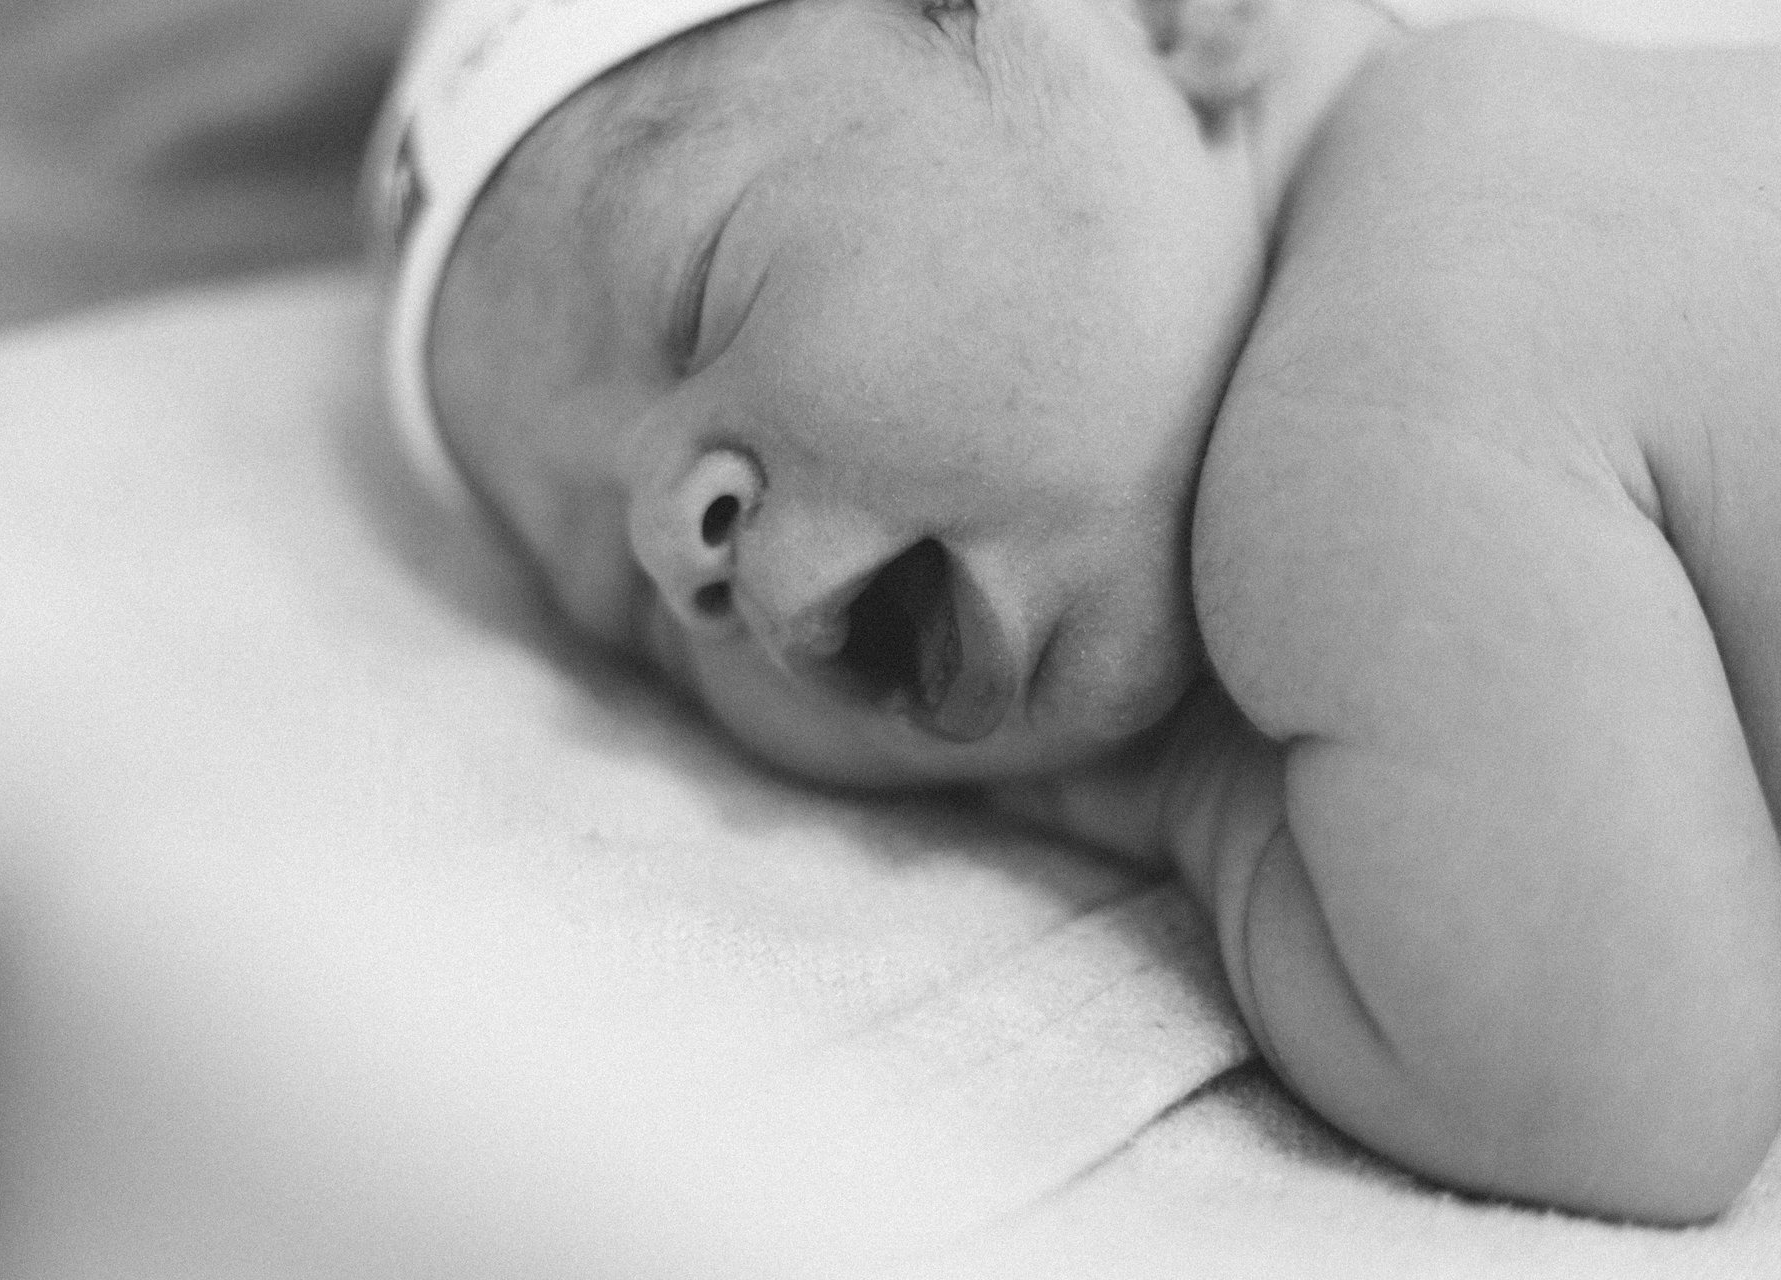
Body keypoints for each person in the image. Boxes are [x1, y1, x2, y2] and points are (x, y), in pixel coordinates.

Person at [372, 0, 1781, 1224]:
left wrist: (1195, 794)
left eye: (704, 291)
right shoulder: (1547, 133)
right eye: (636, 615)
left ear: (1170, 18)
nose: (682, 552)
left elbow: (1609, 1063)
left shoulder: (1367, 404)